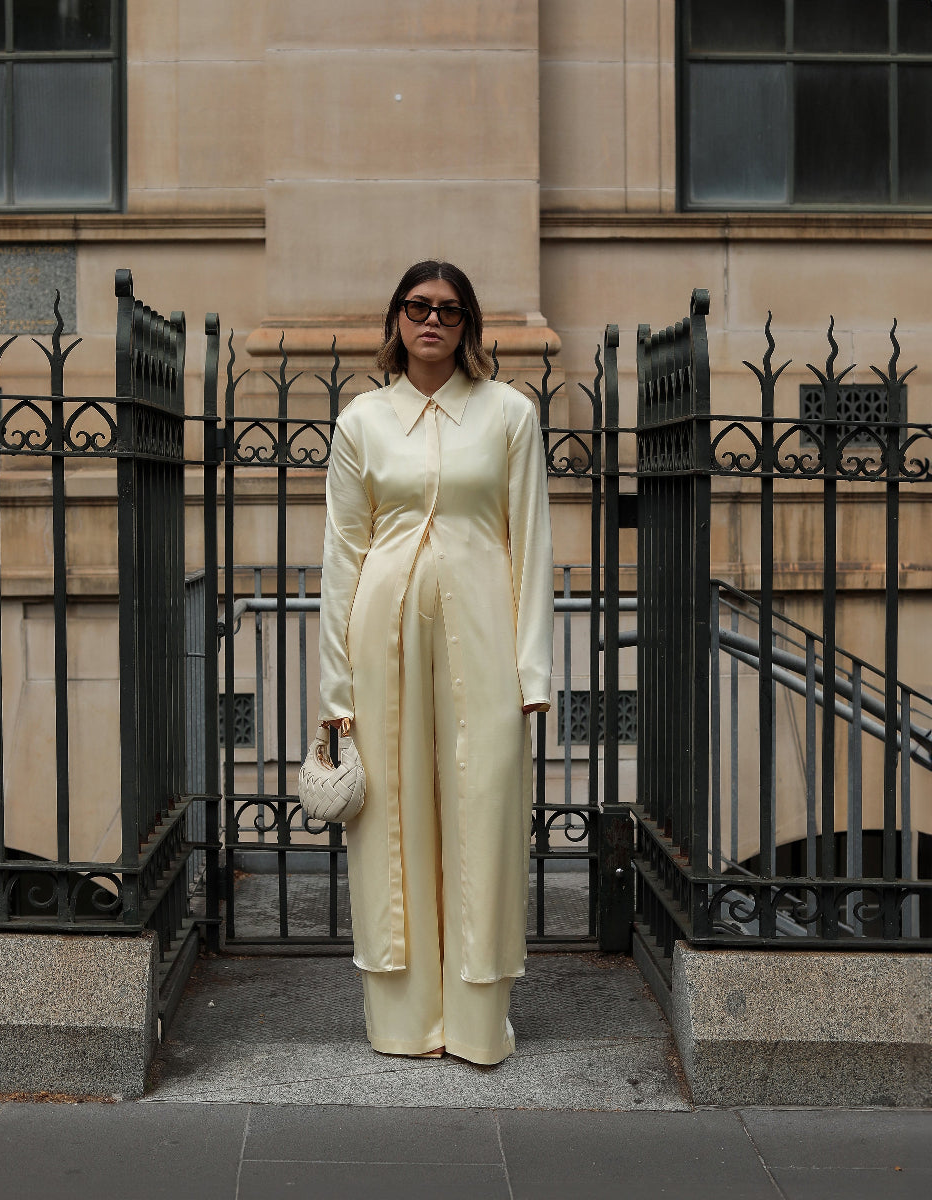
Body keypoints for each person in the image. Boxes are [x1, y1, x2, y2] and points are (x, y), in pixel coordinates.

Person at [317, 260, 553, 1065]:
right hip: (380, 637)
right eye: (418, 307)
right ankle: (402, 1023)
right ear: (395, 321)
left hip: (487, 629)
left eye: (449, 311)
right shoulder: (362, 422)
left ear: (469, 326)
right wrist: (334, 687)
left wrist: (534, 673)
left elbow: (531, 545)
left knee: (483, 812)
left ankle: (479, 1022)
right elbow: (343, 555)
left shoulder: (510, 416)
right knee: (392, 819)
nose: (432, 321)